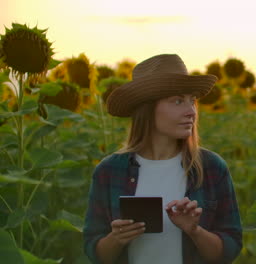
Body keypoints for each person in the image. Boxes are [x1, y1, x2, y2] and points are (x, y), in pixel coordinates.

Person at [83, 54, 243, 264]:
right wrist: (116, 238)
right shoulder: (109, 171)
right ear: (147, 109)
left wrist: (194, 230)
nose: (191, 112)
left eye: (192, 101)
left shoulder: (212, 168)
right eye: (178, 101)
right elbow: (94, 251)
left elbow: (228, 251)